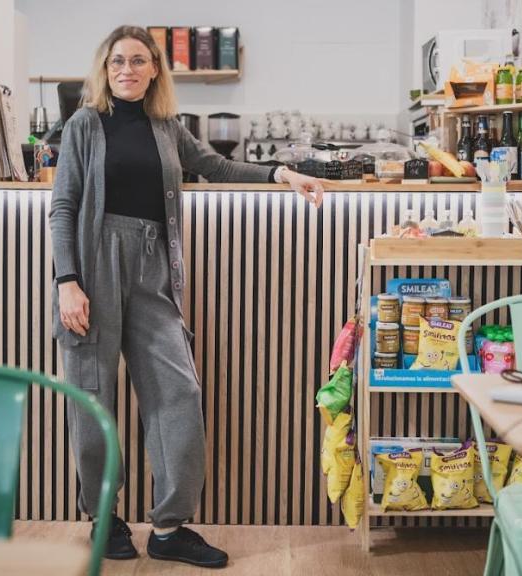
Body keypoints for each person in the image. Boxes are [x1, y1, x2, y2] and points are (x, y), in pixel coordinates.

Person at [49, 25, 324, 568]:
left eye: (138, 61)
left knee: (178, 394)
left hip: (152, 268)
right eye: (117, 62)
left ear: (155, 70)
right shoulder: (84, 124)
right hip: (93, 267)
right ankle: (105, 519)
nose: (126, 69)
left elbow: (217, 167)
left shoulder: (165, 126)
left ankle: (170, 527)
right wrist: (67, 282)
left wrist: (281, 174)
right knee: (92, 399)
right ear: (105, 71)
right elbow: (63, 206)